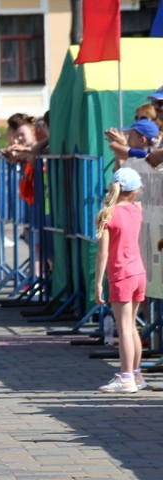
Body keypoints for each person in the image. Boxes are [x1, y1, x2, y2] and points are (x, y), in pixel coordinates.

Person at [94, 167, 147, 393]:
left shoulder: (108, 214)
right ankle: (136, 374)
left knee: (124, 327)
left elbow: (103, 253)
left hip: (121, 274)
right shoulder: (137, 210)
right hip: (138, 272)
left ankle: (125, 377)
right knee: (132, 326)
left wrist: (98, 282)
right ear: (134, 192)